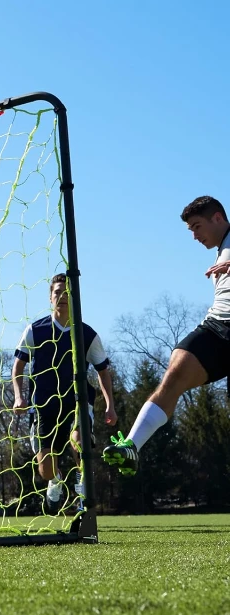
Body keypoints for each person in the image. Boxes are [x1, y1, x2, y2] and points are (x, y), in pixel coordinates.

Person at [103, 196, 230, 476]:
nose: (195, 236)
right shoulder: (221, 250)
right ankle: (131, 447)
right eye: (191, 230)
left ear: (218, 218)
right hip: (217, 329)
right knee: (174, 371)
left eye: (198, 226)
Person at [12, 273, 117, 512]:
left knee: (80, 443)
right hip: (44, 407)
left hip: (78, 403)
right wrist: (19, 396)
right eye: (58, 292)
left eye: (67, 292)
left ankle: (84, 496)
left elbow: (103, 371)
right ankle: (55, 479)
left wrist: (110, 404)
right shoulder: (35, 330)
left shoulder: (87, 334)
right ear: (51, 298)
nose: (62, 296)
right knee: (45, 469)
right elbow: (18, 366)